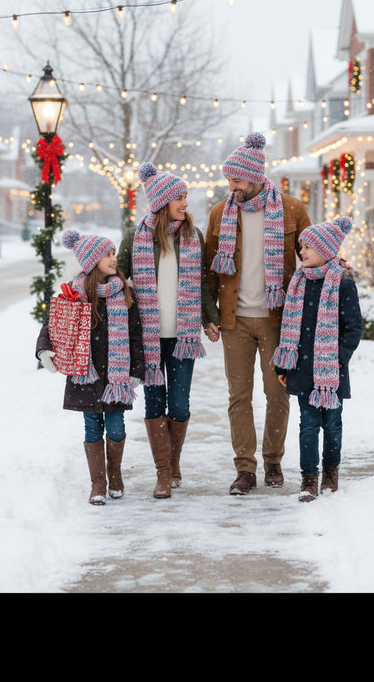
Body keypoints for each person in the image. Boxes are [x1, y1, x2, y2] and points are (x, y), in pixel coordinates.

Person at [204, 131, 311, 495]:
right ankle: (245, 468)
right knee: (239, 395)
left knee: (278, 394)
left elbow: (311, 258)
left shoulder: (292, 209)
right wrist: (210, 314)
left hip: (277, 318)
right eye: (228, 180)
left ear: (254, 177)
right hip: (234, 319)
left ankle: (273, 460)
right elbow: (207, 270)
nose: (230, 186)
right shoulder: (221, 213)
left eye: (236, 180)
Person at [117, 162, 220, 499]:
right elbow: (117, 278)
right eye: (179, 198)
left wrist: (209, 318)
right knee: (154, 402)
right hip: (148, 336)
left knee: (178, 404)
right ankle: (163, 472)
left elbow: (202, 283)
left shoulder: (193, 236)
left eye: (186, 197)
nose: (185, 204)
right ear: (162, 202)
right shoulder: (135, 236)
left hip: (182, 336)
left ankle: (174, 462)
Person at [36, 230, 145, 506]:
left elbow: (135, 335)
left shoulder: (125, 293)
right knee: (92, 429)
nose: (113, 259)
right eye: (107, 255)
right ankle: (98, 483)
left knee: (117, 427)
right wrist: (44, 348)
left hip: (114, 378)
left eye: (113, 254)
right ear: (92, 260)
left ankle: (115, 474)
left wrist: (136, 369)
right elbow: (53, 324)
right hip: (85, 374)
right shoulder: (76, 294)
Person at [273, 216, 362, 502]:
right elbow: (289, 330)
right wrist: (283, 365)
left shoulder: (343, 285)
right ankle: (308, 477)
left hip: (331, 373)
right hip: (302, 370)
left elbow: (353, 328)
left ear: (326, 250)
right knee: (308, 425)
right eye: (301, 247)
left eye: (308, 247)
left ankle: (330, 472)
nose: (302, 252)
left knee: (333, 424)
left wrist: (338, 358)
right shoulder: (298, 283)